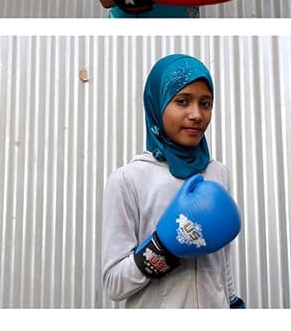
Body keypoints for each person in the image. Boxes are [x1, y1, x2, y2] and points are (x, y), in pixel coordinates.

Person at [101, 54, 244, 308]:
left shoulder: (217, 173)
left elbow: (222, 258)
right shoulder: (129, 180)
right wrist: (161, 249)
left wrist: (232, 302)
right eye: (182, 101)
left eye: (206, 103)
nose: (196, 115)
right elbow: (113, 284)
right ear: (157, 105)